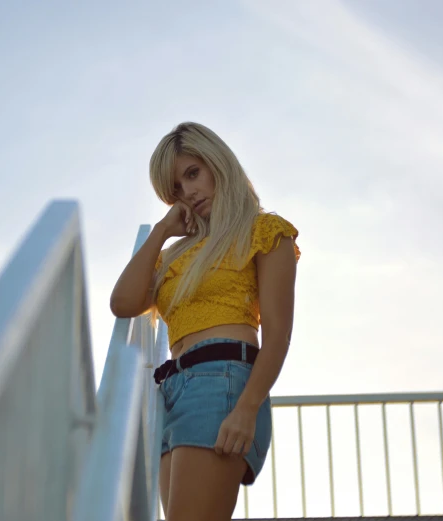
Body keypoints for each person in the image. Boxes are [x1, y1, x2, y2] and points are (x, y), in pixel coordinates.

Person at [110, 122, 300, 521]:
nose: (188, 193)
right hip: (171, 392)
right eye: (176, 189)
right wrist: (162, 231)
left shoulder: (264, 231)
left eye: (192, 173)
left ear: (217, 163)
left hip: (223, 383)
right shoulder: (175, 257)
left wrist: (247, 408)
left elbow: (279, 335)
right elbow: (123, 302)